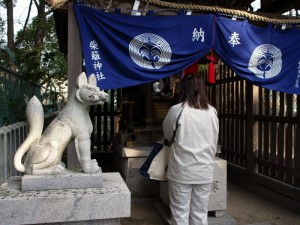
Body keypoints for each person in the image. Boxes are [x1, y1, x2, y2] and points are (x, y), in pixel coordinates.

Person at [162, 73, 219, 225]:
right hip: (204, 169)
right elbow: (214, 139)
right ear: (202, 89)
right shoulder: (212, 111)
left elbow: (168, 135)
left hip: (181, 169)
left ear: (183, 89)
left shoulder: (177, 110)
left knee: (180, 213)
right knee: (200, 214)